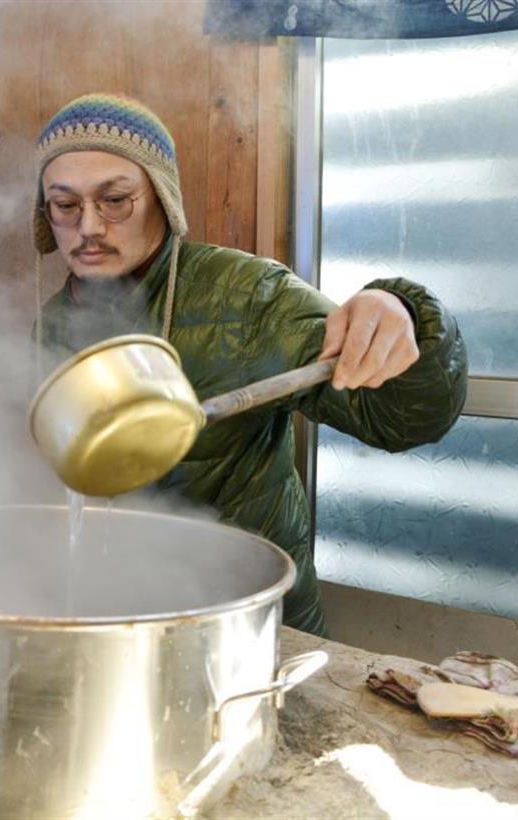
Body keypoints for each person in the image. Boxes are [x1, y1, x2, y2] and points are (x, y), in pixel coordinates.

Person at [31, 93, 468, 635]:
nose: (89, 226)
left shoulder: (247, 296)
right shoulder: (52, 322)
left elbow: (403, 418)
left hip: (252, 625)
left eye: (115, 199)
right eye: (65, 205)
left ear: (162, 199)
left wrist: (406, 313)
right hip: (120, 620)